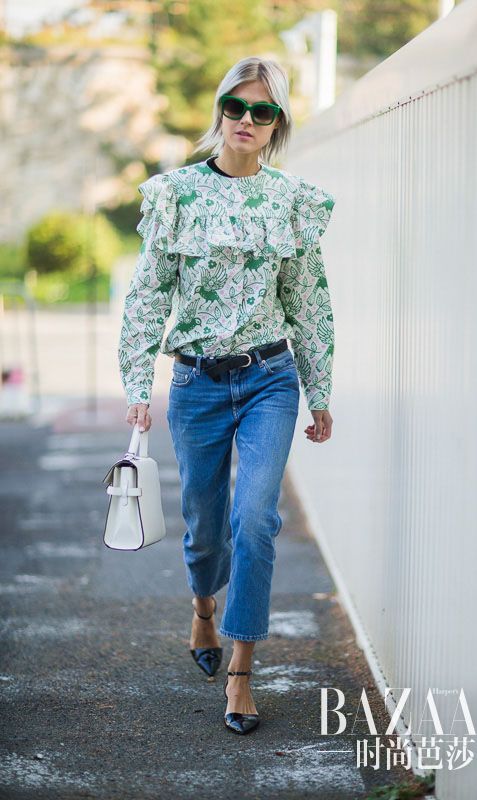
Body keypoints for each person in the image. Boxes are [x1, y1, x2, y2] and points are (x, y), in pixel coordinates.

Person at [117, 55, 336, 735]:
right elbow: (147, 296)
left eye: (261, 110)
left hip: (269, 379)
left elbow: (309, 305)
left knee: (255, 520)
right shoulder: (175, 194)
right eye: (235, 107)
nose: (246, 120)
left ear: (277, 125)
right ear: (219, 112)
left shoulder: (292, 201)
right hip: (195, 384)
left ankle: (241, 669)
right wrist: (136, 384)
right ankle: (203, 610)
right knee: (204, 522)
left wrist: (319, 392)